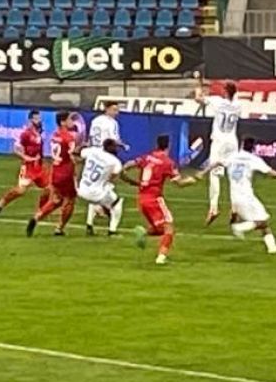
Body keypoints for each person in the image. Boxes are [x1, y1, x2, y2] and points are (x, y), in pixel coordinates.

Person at [200, 136, 276, 255]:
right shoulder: (253, 159)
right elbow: (270, 172)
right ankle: (239, 228)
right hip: (246, 197)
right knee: (262, 220)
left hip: (235, 197)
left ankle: (272, 247)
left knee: (264, 223)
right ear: (253, 148)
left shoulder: (232, 156)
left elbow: (216, 162)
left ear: (242, 145)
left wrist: (203, 172)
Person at [128, 134, 196, 265]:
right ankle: (161, 258)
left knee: (159, 229)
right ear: (169, 145)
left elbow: (128, 165)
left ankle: (144, 233)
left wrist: (128, 180)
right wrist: (191, 181)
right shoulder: (167, 162)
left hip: (141, 199)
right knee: (169, 228)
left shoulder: (147, 157)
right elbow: (178, 183)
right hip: (154, 199)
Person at [193, 73, 241, 225]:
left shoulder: (218, 102)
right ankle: (235, 207)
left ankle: (213, 207)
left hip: (219, 141)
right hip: (232, 141)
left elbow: (198, 99)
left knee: (214, 174)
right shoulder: (238, 105)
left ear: (225, 91)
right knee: (233, 176)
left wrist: (198, 84)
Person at [27, 111, 79, 237]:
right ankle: (59, 228)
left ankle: (37, 217)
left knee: (56, 199)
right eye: (69, 120)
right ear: (63, 122)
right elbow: (73, 156)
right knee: (70, 200)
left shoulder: (55, 135)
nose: (72, 122)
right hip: (66, 172)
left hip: (56, 170)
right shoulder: (69, 137)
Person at [0, 109, 48, 214]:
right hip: (29, 167)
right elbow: (15, 148)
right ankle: (0, 204)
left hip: (39, 167)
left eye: (39, 118)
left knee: (49, 188)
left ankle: (41, 210)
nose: (39, 120)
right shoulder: (26, 134)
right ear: (30, 120)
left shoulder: (40, 132)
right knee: (20, 191)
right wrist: (25, 157)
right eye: (36, 118)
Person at [85, 102, 124, 235]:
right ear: (106, 109)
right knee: (106, 188)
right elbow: (113, 140)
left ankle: (90, 223)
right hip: (105, 156)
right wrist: (123, 145)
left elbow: (91, 139)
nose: (116, 112)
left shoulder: (95, 120)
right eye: (114, 109)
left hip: (94, 155)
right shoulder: (111, 123)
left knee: (96, 188)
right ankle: (111, 228)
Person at [76, 138, 127, 236]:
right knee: (116, 203)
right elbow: (113, 176)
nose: (116, 149)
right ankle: (112, 231)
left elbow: (80, 152)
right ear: (110, 147)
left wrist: (83, 145)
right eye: (115, 147)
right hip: (95, 193)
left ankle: (89, 225)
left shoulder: (93, 150)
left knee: (99, 196)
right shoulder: (115, 161)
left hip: (82, 188)